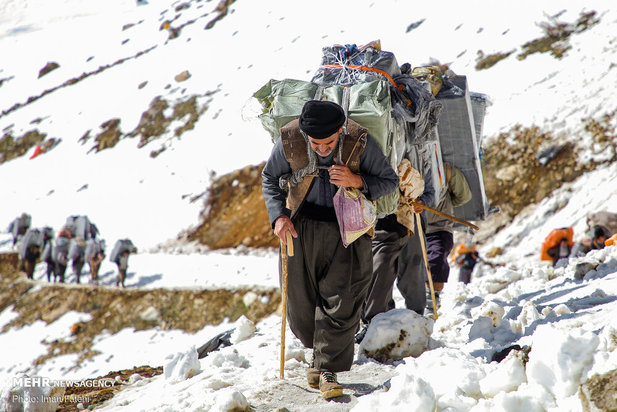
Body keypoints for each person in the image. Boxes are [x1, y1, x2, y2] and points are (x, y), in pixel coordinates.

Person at [262, 100, 399, 399]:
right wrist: (278, 217)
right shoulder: (291, 140)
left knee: (342, 297)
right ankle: (318, 355)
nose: (322, 149)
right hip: (302, 227)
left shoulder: (359, 141)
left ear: (340, 131)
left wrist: (356, 180)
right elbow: (270, 178)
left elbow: (390, 181)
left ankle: (326, 369)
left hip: (348, 231)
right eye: (316, 143)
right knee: (300, 302)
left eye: (329, 143)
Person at [358, 153, 435, 343]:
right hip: (380, 222)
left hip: (411, 221)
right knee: (380, 270)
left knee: (412, 269)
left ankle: (416, 318)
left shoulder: (422, 154)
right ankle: (378, 321)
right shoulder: (377, 149)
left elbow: (432, 190)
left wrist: (423, 202)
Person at [424, 163, 472, 314]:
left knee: (436, 258)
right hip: (412, 229)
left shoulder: (445, 170)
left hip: (439, 228)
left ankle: (431, 300)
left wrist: (446, 203)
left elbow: (463, 195)